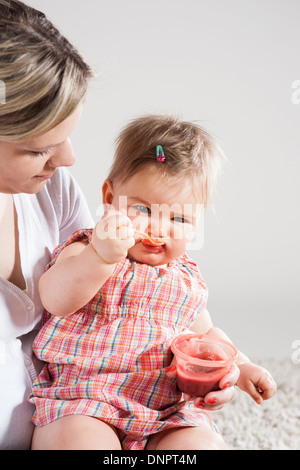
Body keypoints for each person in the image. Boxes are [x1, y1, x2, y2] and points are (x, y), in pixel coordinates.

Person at [29, 114, 277, 450]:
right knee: (78, 442)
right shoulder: (87, 248)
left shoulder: (184, 277)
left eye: (178, 218)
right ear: (109, 196)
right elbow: (55, 298)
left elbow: (206, 336)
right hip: (86, 401)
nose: (159, 228)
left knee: (201, 445)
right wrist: (99, 258)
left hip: (167, 412)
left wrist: (240, 367)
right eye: (143, 209)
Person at [0, 0, 94, 449]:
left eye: (66, 137)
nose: (68, 159)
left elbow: (114, 298)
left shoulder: (52, 190)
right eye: (40, 149)